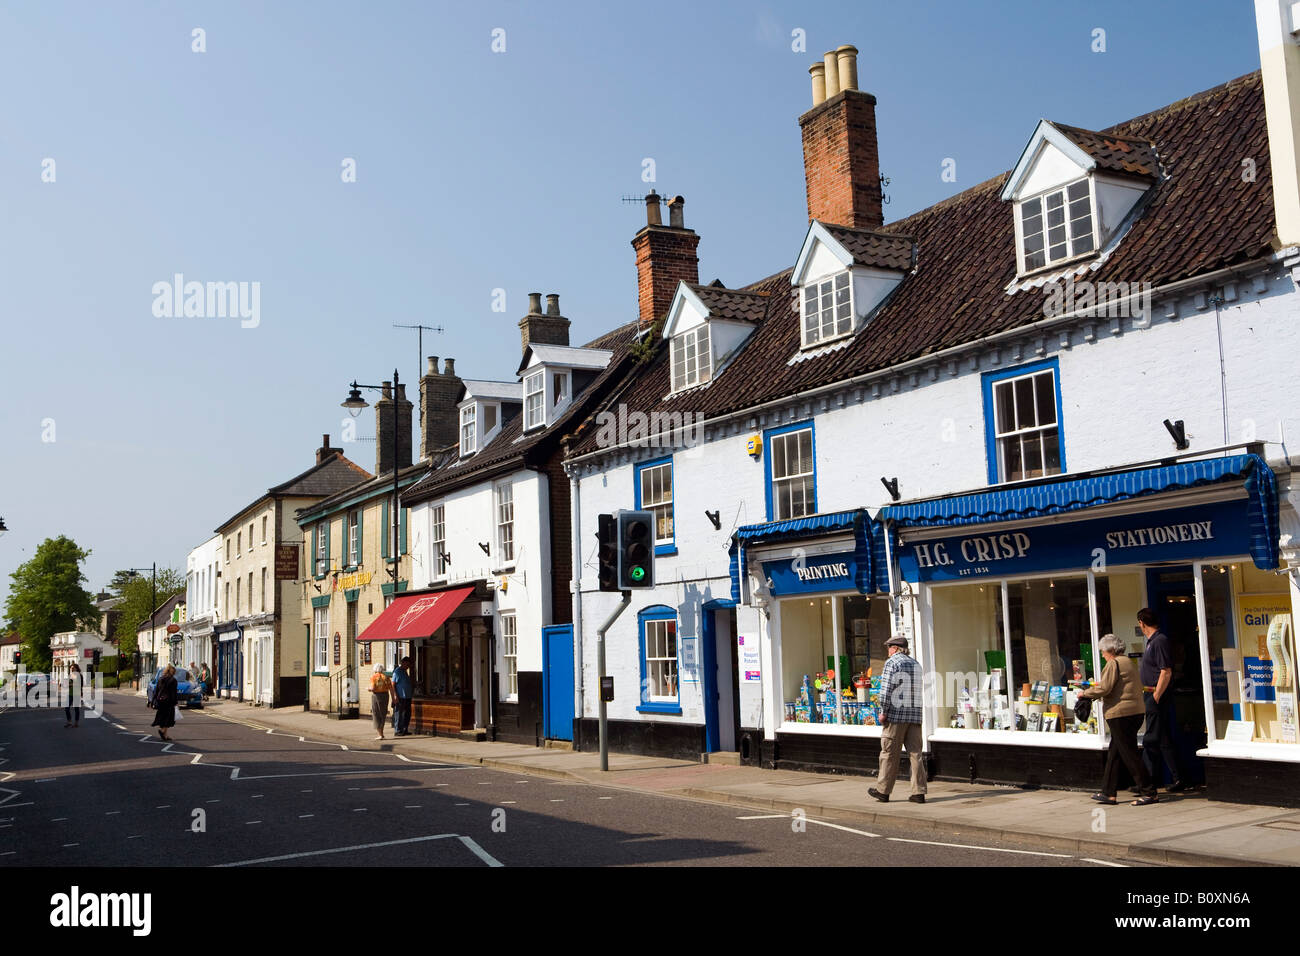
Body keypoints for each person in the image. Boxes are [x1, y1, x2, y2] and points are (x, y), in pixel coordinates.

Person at [1079, 633, 1158, 806]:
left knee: (1129, 754)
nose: (1102, 654)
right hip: (1135, 712)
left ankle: (1149, 791)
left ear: (1112, 650)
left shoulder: (1113, 663)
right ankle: (1108, 793)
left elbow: (1105, 688)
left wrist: (1084, 693)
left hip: (1121, 714)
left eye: (1104, 651)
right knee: (1114, 753)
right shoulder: (1128, 662)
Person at [868, 635, 927, 804]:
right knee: (916, 754)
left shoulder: (892, 663)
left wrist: (883, 711)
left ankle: (883, 791)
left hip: (895, 716)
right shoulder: (916, 664)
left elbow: (886, 690)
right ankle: (918, 792)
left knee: (888, 754)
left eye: (889, 647)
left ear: (895, 648)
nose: (888, 650)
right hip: (914, 716)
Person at [1137, 608, 1185, 791]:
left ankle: (1146, 782)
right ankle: (1178, 778)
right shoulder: (1152, 642)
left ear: (1142, 622)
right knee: (1163, 739)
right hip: (1151, 693)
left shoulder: (1159, 641)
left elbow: (1166, 671)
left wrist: (1156, 695)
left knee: (1150, 739)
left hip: (1156, 694)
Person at [152, 664, 178, 741]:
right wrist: (175, 702)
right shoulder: (173, 680)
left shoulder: (160, 679)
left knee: (162, 716)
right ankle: (162, 731)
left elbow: (156, 690)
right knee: (168, 717)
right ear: (172, 672)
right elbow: (173, 693)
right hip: (168, 701)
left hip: (160, 700)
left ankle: (165, 735)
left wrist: (153, 700)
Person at [391, 656, 414, 736]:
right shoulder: (397, 672)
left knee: (407, 714)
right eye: (407, 664)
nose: (408, 666)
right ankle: (398, 730)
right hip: (400, 696)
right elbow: (393, 684)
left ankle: (405, 729)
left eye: (409, 665)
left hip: (407, 696)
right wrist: (395, 696)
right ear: (403, 663)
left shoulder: (405, 671)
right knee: (399, 714)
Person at [369, 662, 392, 740]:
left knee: (376, 714)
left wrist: (368, 689)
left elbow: (372, 688)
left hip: (376, 696)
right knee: (383, 713)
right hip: (385, 696)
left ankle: (380, 734)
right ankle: (381, 733)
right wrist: (394, 697)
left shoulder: (374, 677)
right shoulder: (386, 677)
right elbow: (391, 688)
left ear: (375, 669)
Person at [64, 662, 84, 728]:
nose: (72, 669)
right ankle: (69, 722)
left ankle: (76, 723)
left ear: (76, 668)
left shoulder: (80, 675)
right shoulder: (70, 675)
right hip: (70, 693)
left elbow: (80, 685)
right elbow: (68, 684)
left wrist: (81, 692)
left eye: (73, 668)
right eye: (71, 668)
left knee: (76, 709)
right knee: (66, 708)